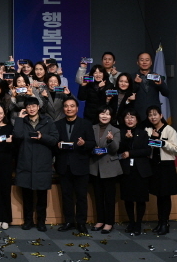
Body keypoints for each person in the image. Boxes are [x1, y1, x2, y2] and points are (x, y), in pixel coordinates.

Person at [14, 97, 59, 232]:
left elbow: (55, 139)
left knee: (41, 197)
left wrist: (42, 137)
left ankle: (41, 222)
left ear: (38, 107)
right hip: (26, 163)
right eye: (28, 107)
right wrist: (19, 119)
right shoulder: (22, 121)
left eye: (34, 106)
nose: (31, 109)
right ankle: (28, 221)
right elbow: (17, 136)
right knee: (27, 196)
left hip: (42, 164)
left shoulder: (48, 121)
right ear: (25, 109)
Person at [54, 97, 95, 234]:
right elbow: (53, 143)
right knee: (66, 196)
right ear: (63, 108)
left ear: (77, 108)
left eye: (72, 106)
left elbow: (92, 143)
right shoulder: (57, 124)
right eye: (66, 106)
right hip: (63, 166)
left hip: (80, 166)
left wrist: (84, 144)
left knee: (81, 196)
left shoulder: (85, 124)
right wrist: (57, 145)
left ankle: (81, 223)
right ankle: (69, 221)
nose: (69, 108)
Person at [88, 106, 123, 234]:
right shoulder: (91, 128)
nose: (104, 116)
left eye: (107, 114)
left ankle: (109, 222)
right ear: (98, 115)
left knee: (109, 197)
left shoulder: (116, 130)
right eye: (102, 113)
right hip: (95, 167)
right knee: (98, 196)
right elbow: (88, 146)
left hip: (109, 168)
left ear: (111, 117)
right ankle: (100, 221)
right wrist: (93, 150)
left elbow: (115, 149)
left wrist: (110, 140)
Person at [146, 105, 177, 235]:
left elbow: (175, 148)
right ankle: (160, 222)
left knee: (165, 195)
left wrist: (161, 142)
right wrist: (152, 138)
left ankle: (165, 223)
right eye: (150, 115)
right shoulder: (148, 130)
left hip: (166, 166)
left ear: (161, 115)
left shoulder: (169, 130)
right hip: (154, 165)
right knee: (159, 195)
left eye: (155, 114)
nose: (153, 117)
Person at [118, 110, 151, 236]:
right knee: (128, 198)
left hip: (140, 170)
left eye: (132, 117)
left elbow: (147, 151)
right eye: (127, 117)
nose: (130, 120)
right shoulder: (120, 133)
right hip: (126, 169)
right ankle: (131, 222)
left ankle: (138, 223)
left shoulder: (143, 133)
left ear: (137, 119)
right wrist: (126, 140)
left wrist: (131, 153)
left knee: (140, 199)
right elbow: (118, 150)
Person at [133, 53, 170, 122]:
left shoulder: (157, 77)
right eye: (142, 60)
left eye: (147, 60)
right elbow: (128, 94)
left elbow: (166, 93)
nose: (144, 62)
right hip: (137, 114)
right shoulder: (132, 77)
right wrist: (136, 83)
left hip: (154, 114)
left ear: (151, 63)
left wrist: (160, 84)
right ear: (137, 62)